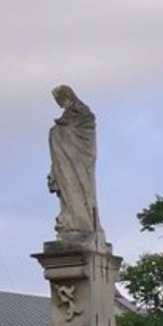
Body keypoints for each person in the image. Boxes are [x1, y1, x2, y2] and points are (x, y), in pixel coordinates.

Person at [47, 84, 102, 239]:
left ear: (67, 96)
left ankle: (81, 221)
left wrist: (61, 131)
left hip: (77, 161)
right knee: (68, 189)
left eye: (59, 99)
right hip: (64, 162)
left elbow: (81, 127)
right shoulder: (68, 117)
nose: (58, 102)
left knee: (79, 187)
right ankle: (72, 219)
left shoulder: (82, 112)